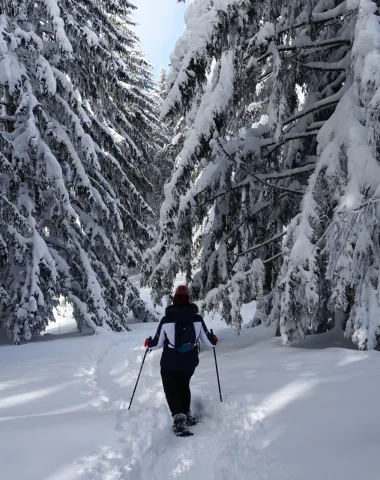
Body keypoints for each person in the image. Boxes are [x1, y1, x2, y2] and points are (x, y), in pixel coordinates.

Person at [144, 285, 218, 435]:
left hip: (170, 362)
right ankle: (187, 415)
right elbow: (208, 342)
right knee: (184, 385)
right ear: (188, 300)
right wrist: (214, 339)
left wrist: (148, 343)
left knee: (171, 389)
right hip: (189, 362)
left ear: (174, 300)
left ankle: (179, 421)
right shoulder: (196, 319)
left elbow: (157, 343)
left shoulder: (166, 320)